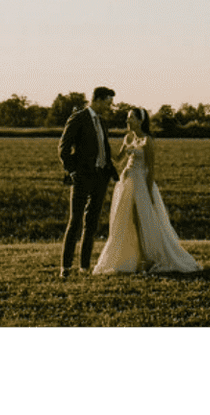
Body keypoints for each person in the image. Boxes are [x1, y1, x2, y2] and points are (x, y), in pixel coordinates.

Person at [91, 106, 201, 276]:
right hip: (127, 183)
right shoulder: (128, 137)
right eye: (127, 118)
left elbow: (150, 168)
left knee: (144, 221)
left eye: (130, 118)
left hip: (141, 184)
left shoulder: (147, 140)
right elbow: (118, 158)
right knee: (128, 221)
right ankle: (136, 258)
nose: (127, 121)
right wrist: (102, 141)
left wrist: (149, 192)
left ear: (140, 120)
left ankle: (148, 258)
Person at [58, 86, 119, 278]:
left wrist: (110, 171)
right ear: (98, 100)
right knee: (75, 222)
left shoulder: (102, 121)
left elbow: (104, 149)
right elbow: (63, 148)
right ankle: (65, 268)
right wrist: (73, 171)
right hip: (82, 177)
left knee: (91, 224)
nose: (110, 107)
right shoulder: (79, 118)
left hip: (101, 178)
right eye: (108, 103)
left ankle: (84, 267)